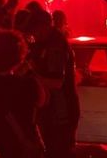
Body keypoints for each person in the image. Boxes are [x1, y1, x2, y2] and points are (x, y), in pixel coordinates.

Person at [0, 29, 45, 158]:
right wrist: (30, 72)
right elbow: (42, 100)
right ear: (18, 55)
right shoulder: (26, 84)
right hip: (20, 148)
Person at [28, 10, 79, 158]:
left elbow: (56, 82)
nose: (34, 35)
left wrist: (31, 75)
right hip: (53, 111)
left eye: (35, 31)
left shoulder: (55, 45)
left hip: (61, 112)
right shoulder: (43, 43)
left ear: (44, 26)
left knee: (59, 152)